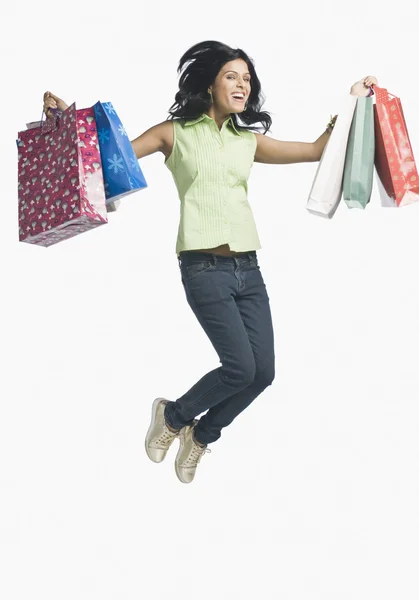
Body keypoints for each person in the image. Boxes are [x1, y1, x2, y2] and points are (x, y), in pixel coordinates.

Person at [44, 40, 378, 484]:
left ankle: (201, 434)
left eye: (246, 78)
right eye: (231, 76)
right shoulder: (174, 132)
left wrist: (353, 99)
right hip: (202, 268)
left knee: (263, 374)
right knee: (239, 366)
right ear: (210, 83)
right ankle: (172, 416)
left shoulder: (248, 140)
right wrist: (68, 125)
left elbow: (317, 149)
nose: (242, 84)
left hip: (249, 269)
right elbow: (109, 159)